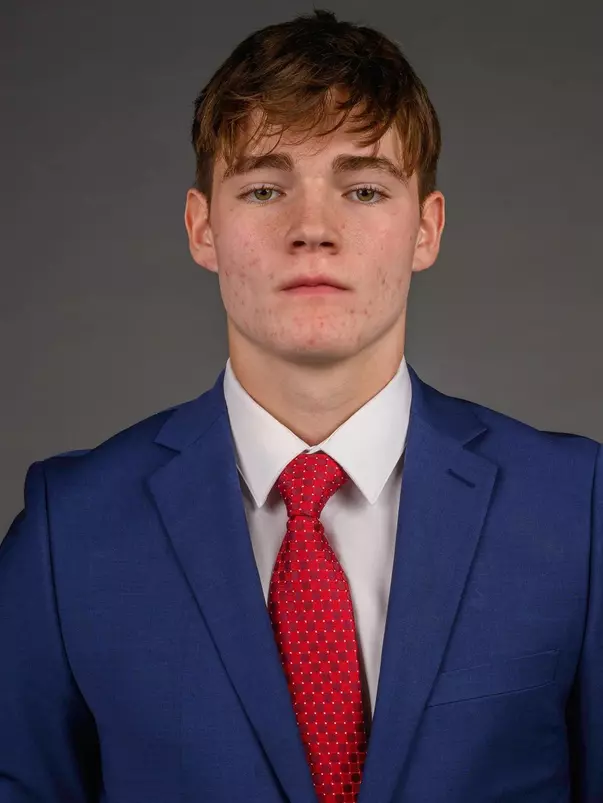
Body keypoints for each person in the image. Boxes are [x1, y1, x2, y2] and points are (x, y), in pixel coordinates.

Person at [0, 8, 601, 803]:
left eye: (361, 188)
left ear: (425, 229)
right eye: (262, 187)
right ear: (201, 227)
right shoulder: (67, 529)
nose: (312, 229)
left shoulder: (576, 508)